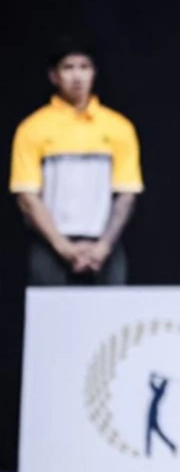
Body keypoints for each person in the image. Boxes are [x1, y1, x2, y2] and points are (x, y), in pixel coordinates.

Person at [10, 37, 142, 286]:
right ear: (54, 76)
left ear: (94, 73)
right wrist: (63, 247)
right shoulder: (33, 128)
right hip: (50, 247)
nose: (77, 76)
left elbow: (126, 193)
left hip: (104, 248)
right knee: (50, 311)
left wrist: (103, 246)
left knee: (111, 311)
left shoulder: (119, 127)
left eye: (84, 67)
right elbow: (27, 196)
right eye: (68, 68)